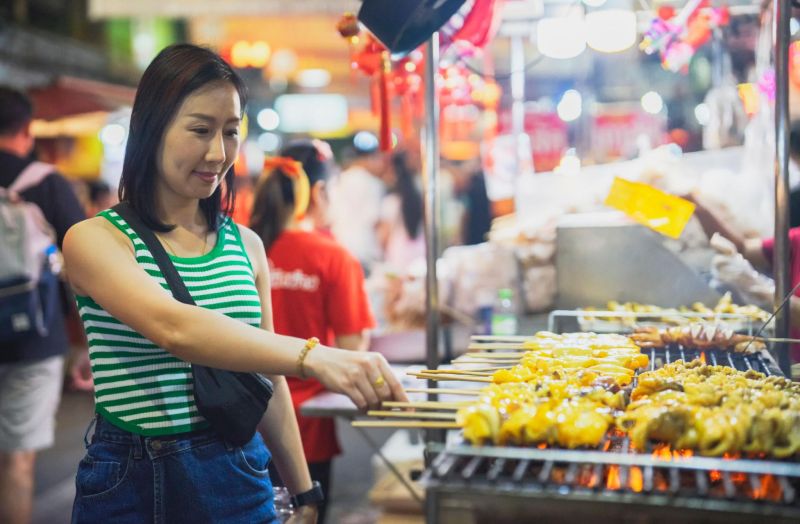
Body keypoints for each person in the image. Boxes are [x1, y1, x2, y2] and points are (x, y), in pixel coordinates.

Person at [62, 44, 406, 524]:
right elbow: (174, 328)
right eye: (200, 130)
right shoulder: (95, 239)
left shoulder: (246, 245)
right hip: (131, 480)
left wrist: (304, 490)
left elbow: (265, 379)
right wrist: (315, 355)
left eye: (230, 131)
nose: (218, 153)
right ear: (151, 127)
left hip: (238, 469)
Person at [249, 139, 375, 523]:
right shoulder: (332, 256)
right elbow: (354, 347)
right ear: (318, 191)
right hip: (304, 431)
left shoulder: (241, 247)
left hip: (242, 425)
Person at [0, 87, 86, 524]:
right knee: (17, 461)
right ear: (27, 130)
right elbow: (86, 266)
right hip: (35, 339)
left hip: (36, 343)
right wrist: (86, 342)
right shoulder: (46, 182)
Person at [328, 142, 386, 273]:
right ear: (368, 159)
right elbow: (375, 220)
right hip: (365, 248)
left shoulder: (340, 179)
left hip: (341, 243)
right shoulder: (374, 184)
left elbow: (332, 215)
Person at [378, 150, 425, 271]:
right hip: (420, 251)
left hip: (398, 254)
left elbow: (384, 235)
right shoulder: (420, 197)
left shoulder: (391, 202)